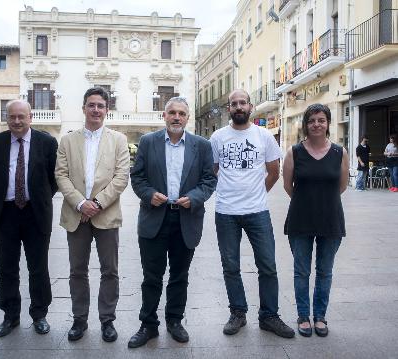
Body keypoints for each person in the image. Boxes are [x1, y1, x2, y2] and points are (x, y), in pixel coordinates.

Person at [128, 97, 216, 348]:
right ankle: (148, 324)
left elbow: (209, 181)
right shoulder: (148, 142)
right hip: (154, 217)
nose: (177, 117)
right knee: (151, 276)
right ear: (164, 116)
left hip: (186, 219)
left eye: (182, 113)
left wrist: (195, 197)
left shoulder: (202, 145)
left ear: (188, 118)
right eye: (172, 113)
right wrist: (148, 194)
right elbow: (138, 177)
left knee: (180, 275)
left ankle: (175, 320)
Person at [210, 89, 295, 339]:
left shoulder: (264, 136)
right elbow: (213, 169)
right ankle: (238, 312)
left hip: (258, 211)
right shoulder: (217, 137)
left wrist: (257, 194)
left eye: (242, 103)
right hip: (226, 212)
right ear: (229, 108)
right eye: (234, 103)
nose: (238, 107)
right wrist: (230, 189)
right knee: (230, 266)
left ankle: (269, 316)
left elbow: (273, 171)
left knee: (267, 265)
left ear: (251, 106)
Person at [55, 87, 130, 342]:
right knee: (77, 271)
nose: (95, 109)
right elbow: (61, 175)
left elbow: (121, 177)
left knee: (110, 271)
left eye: (100, 105)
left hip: (106, 216)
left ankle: (107, 320)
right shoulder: (67, 140)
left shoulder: (118, 140)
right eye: (91, 105)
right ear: (84, 108)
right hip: (76, 216)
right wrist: (80, 203)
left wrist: (96, 204)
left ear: (106, 110)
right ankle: (79, 320)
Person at [0, 99, 58, 338]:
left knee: (38, 267)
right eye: (12, 117)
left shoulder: (46, 142)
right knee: (6, 268)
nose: (17, 121)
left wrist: (38, 197)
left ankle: (39, 315)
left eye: (21, 117)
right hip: (5, 213)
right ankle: (10, 316)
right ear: (7, 118)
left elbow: (54, 178)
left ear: (30, 117)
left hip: (35, 213)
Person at [283, 103, 349, 337]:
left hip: (331, 220)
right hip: (300, 220)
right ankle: (303, 316)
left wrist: (322, 201)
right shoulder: (294, 152)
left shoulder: (339, 152)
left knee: (324, 271)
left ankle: (320, 316)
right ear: (306, 125)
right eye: (312, 121)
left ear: (328, 123)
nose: (316, 124)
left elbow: (341, 186)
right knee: (301, 271)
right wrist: (308, 201)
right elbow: (288, 186)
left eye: (321, 120)